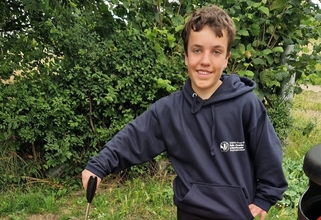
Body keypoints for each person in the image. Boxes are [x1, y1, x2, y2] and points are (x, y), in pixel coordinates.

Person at [82, 4, 288, 220]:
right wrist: (98, 166)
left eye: (216, 52)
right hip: (191, 212)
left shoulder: (246, 104)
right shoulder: (169, 110)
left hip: (237, 214)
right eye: (197, 50)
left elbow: (268, 155)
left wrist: (265, 198)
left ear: (226, 58)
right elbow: (133, 138)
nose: (205, 61)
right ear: (186, 56)